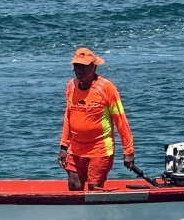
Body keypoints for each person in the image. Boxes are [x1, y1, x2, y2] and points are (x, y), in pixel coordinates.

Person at [57, 48, 134, 191]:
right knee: (74, 186)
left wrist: (128, 151)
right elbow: (68, 116)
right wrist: (63, 146)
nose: (79, 70)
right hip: (75, 149)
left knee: (95, 190)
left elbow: (121, 120)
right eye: (76, 66)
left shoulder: (106, 88)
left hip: (100, 150)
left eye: (84, 66)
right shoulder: (71, 86)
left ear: (94, 66)